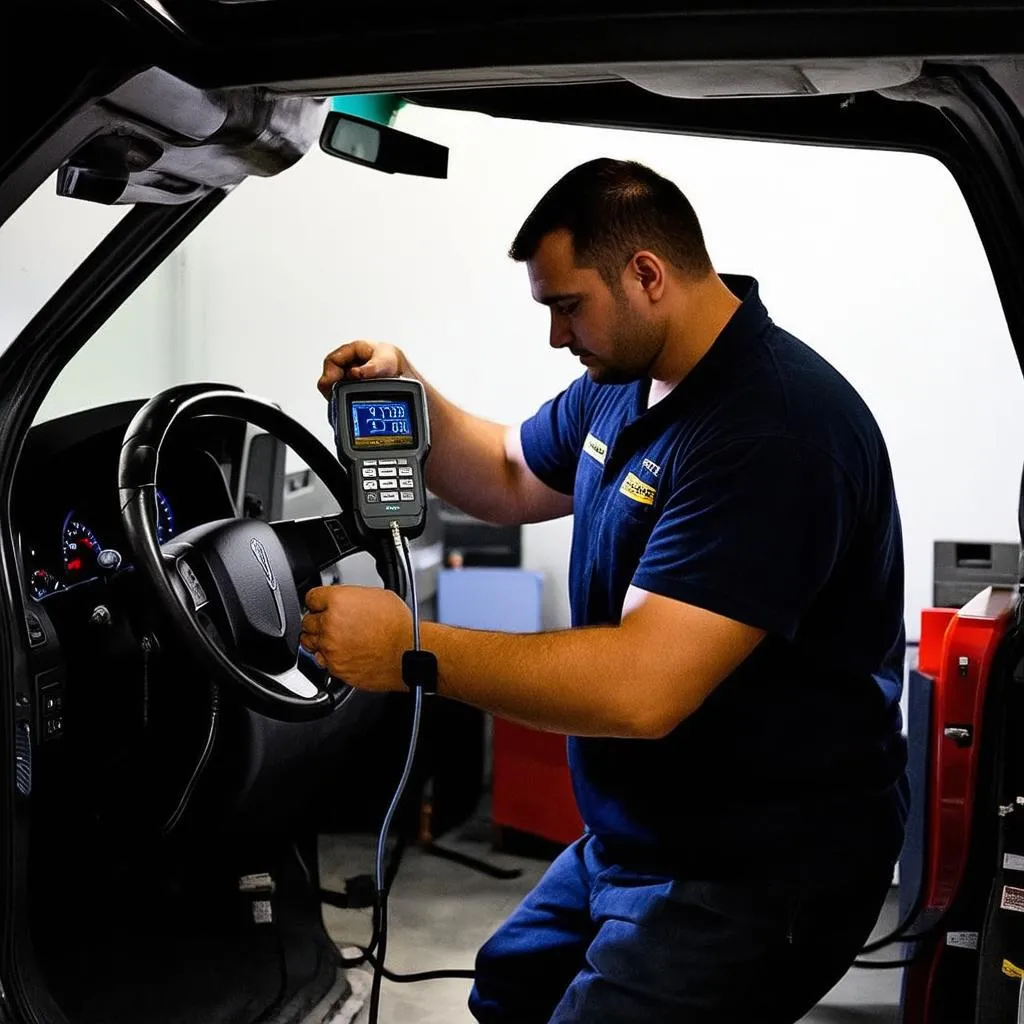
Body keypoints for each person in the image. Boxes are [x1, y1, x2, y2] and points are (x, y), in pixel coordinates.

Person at [305, 158, 908, 1023]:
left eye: (566, 305)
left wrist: (411, 652)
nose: (557, 336)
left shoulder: (773, 431)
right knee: (510, 989)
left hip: (760, 866)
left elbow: (639, 688)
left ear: (647, 276)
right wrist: (408, 393)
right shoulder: (623, 382)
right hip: (641, 833)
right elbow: (511, 471)